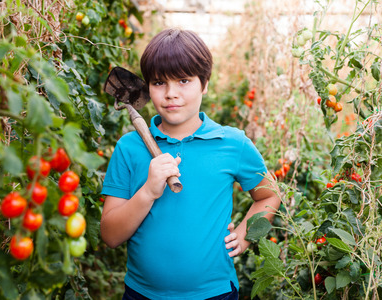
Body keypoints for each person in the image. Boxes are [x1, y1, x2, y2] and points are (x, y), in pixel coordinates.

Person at [100, 28, 281, 300]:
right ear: (147, 86)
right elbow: (111, 235)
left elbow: (270, 195)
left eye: (184, 80)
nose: (171, 93)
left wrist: (245, 235)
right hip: (142, 293)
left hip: (214, 292)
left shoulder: (232, 143)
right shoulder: (130, 147)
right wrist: (148, 191)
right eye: (159, 82)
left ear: (204, 84)